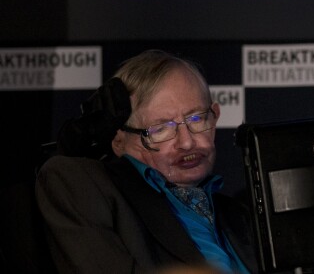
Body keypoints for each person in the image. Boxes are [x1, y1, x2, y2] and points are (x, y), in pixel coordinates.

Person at [35, 49, 258, 273]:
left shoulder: (241, 214)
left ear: (215, 116)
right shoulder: (83, 185)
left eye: (197, 119)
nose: (187, 143)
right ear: (119, 140)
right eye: (160, 129)